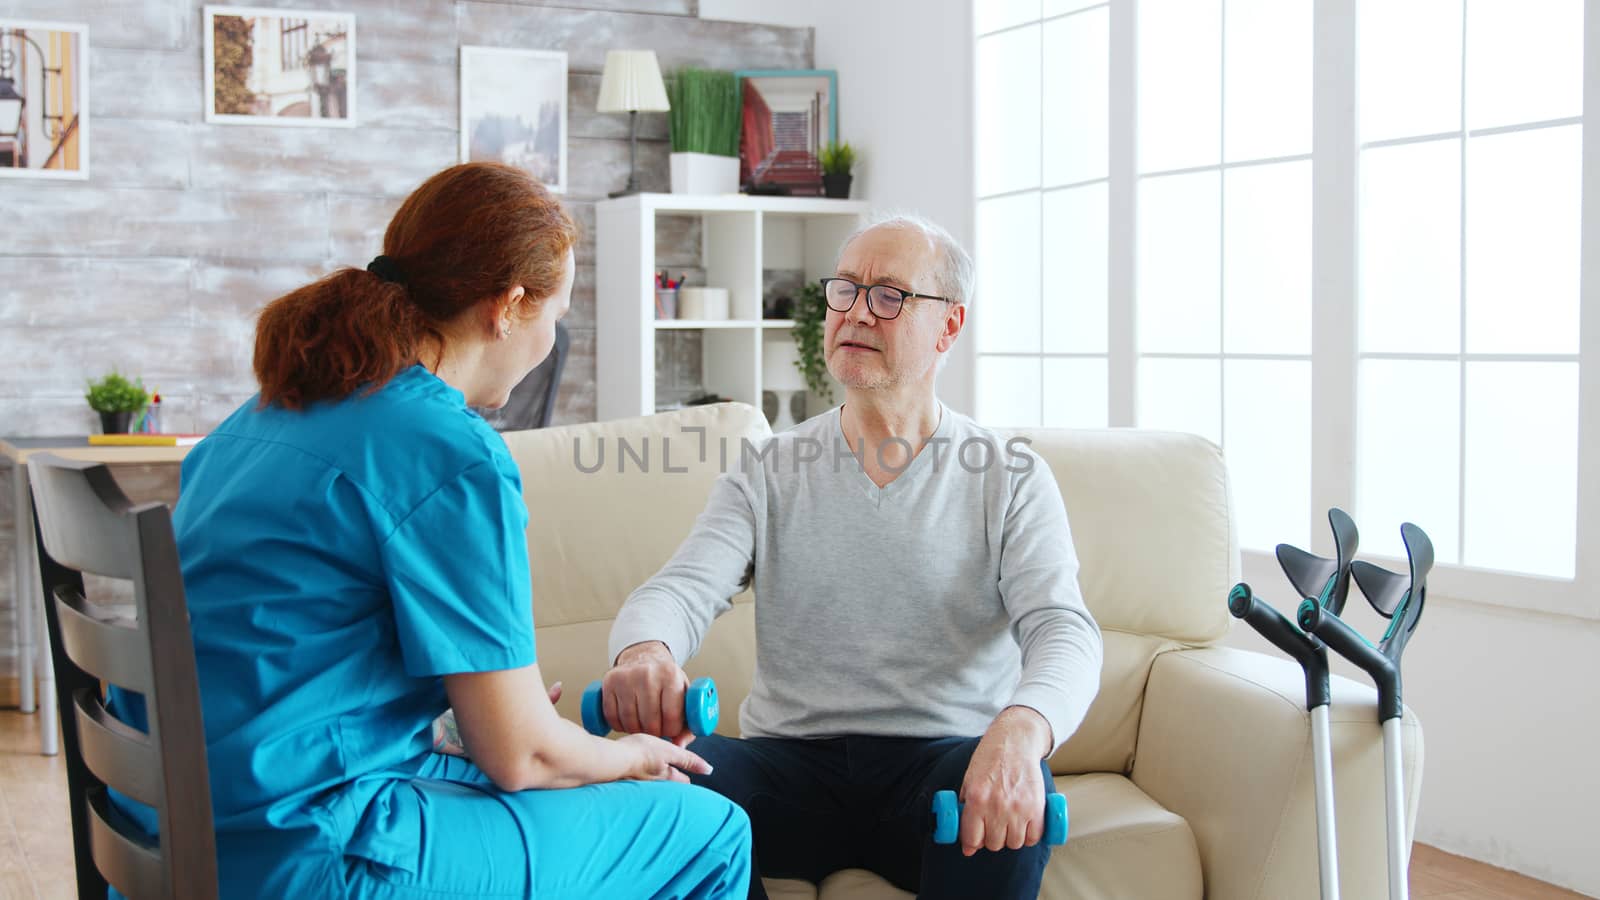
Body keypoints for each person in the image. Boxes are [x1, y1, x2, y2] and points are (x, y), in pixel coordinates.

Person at [120, 163, 751, 898]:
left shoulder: (255, 421)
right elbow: (522, 757)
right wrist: (631, 756)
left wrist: (466, 719)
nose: (553, 335)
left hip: (182, 830)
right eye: (557, 312)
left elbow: (286, 646)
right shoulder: (449, 451)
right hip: (314, 853)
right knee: (710, 831)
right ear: (510, 305)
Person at [600, 215, 1104, 899]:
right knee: (653, 780)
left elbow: (1063, 629)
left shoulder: (1008, 475)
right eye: (846, 289)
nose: (858, 312)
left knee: (1020, 789)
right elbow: (683, 589)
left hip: (942, 772)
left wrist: (1023, 731)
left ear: (949, 326)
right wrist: (646, 652)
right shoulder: (768, 469)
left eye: (890, 295)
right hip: (789, 768)